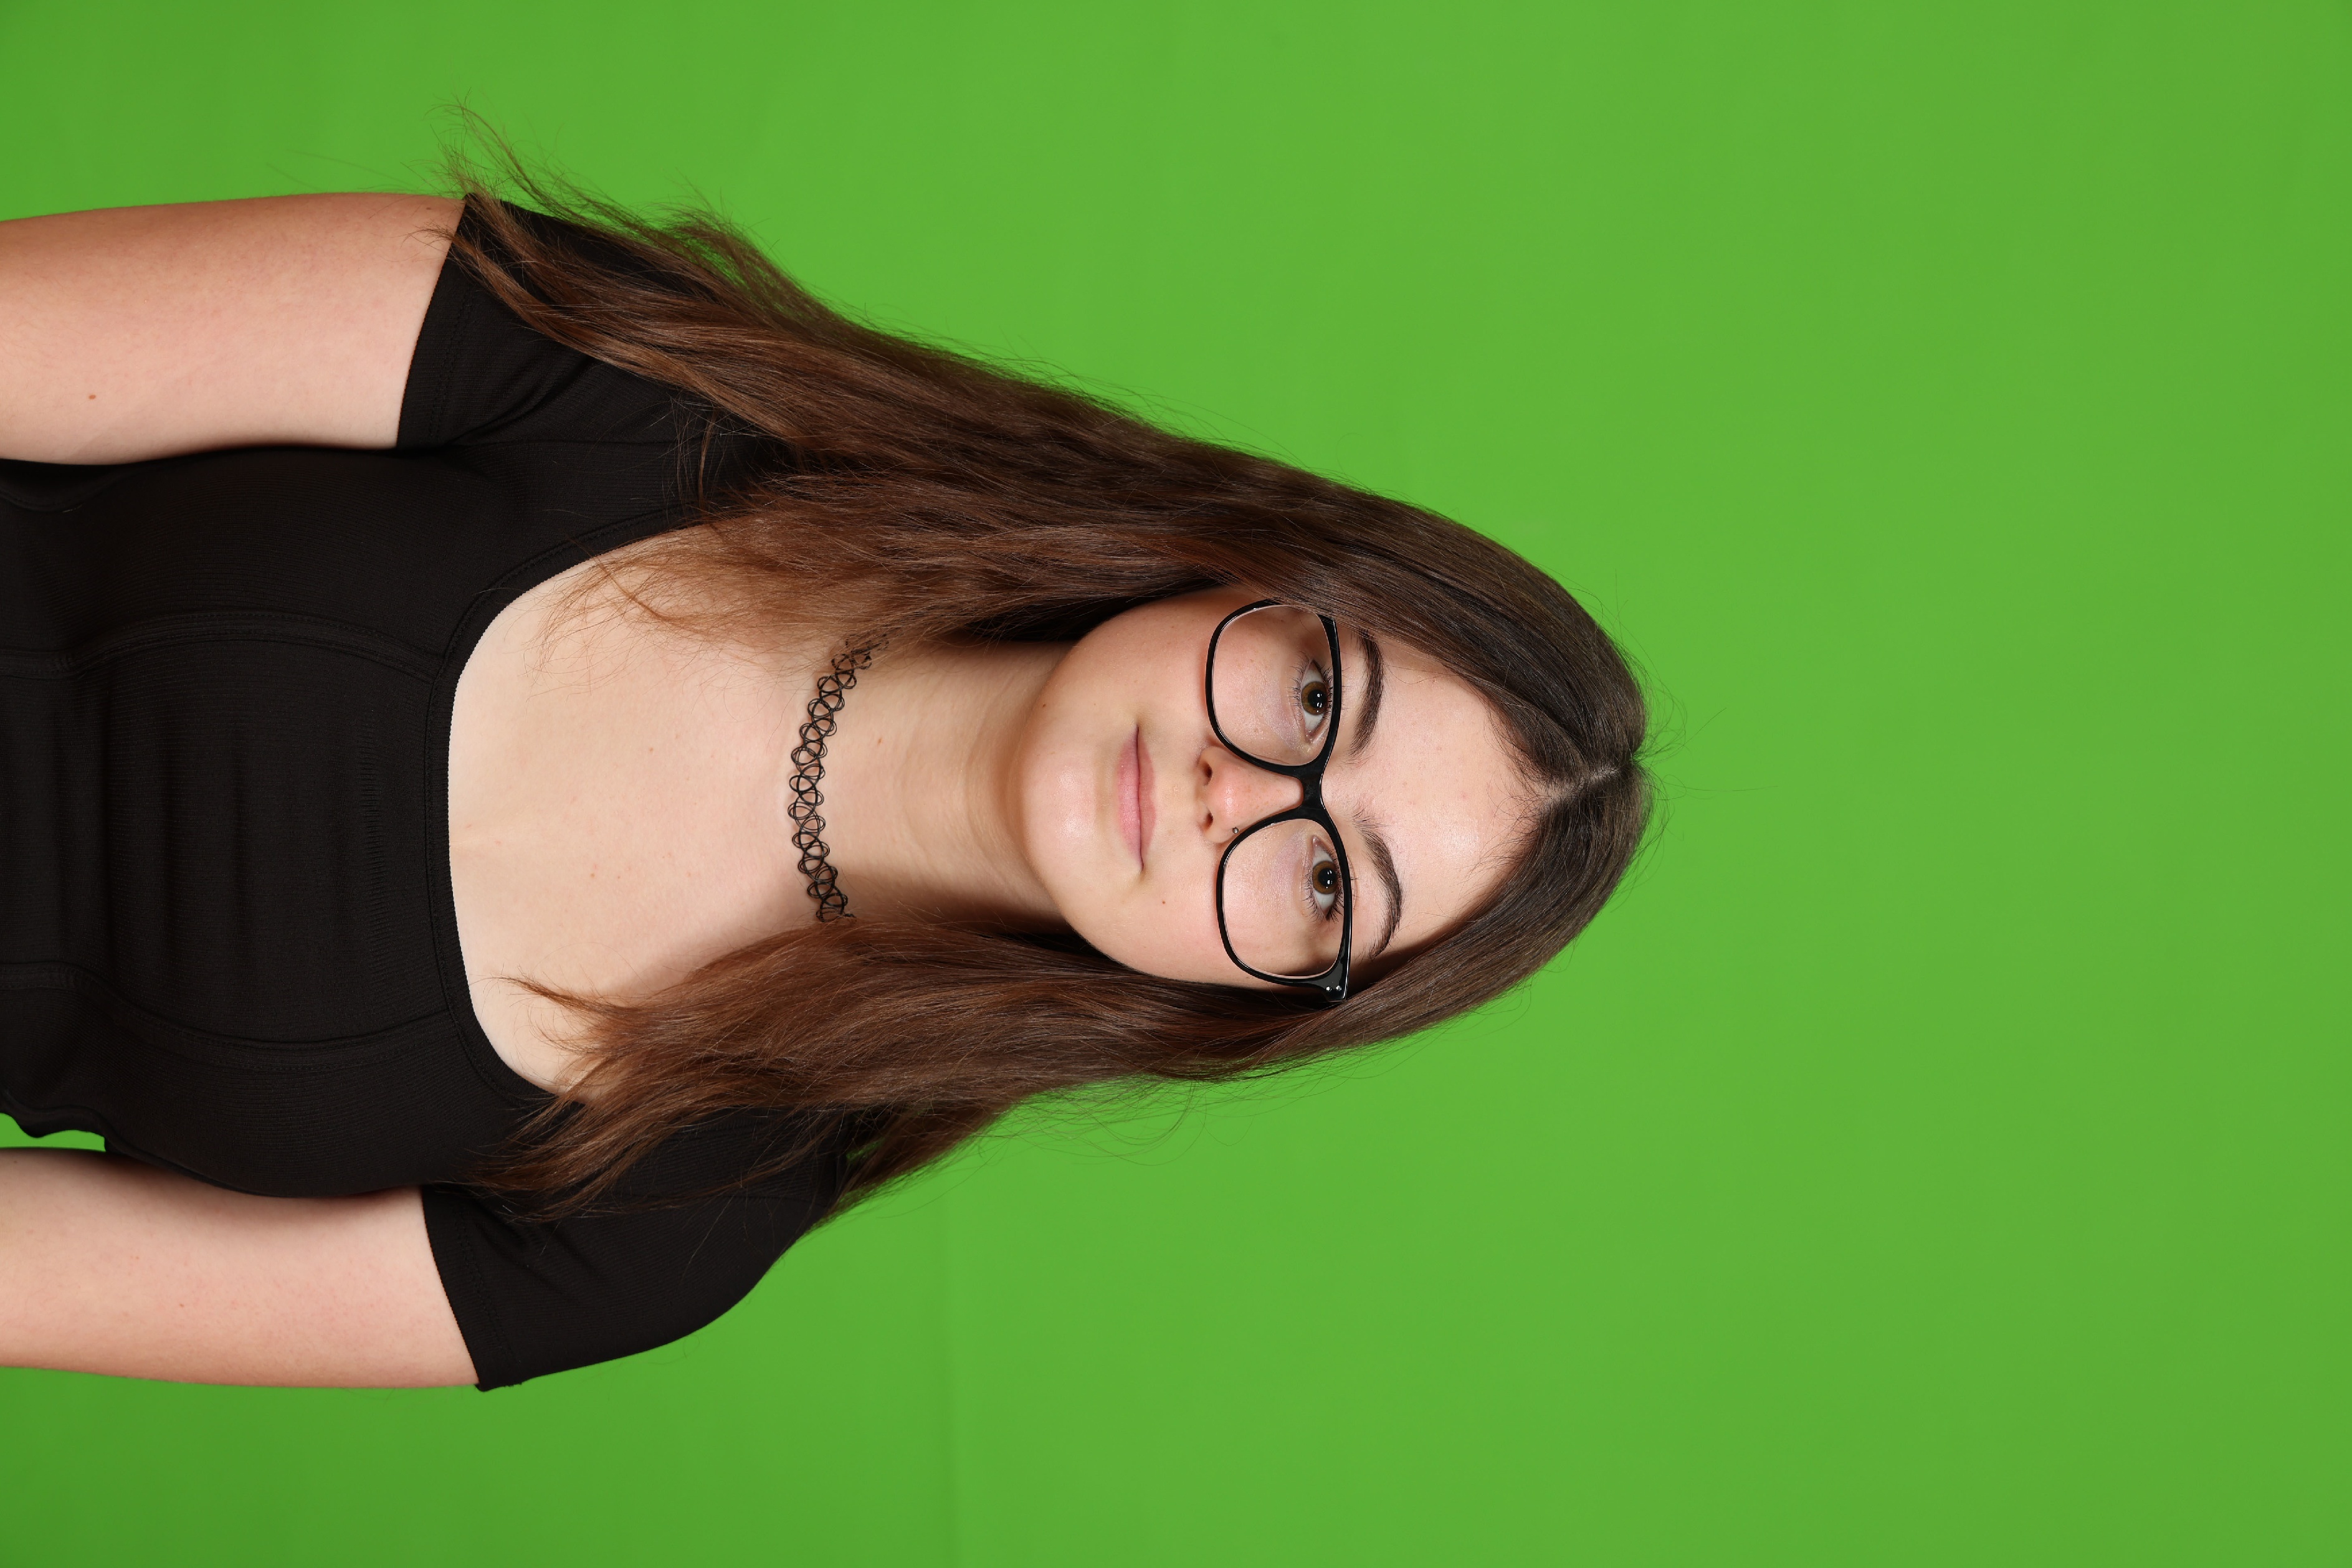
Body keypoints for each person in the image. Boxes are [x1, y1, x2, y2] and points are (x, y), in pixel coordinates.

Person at [0, 169, 1651, 1390]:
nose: (1247, 795)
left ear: (1259, 1003)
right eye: (1316, 696)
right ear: (1264, 570)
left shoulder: (670, 1228)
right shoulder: (653, 376)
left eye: (1328, 883)